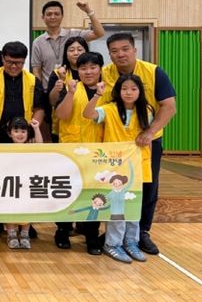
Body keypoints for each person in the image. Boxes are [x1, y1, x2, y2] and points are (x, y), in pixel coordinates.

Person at [100, 33, 176, 255]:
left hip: (145, 142)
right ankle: (114, 234)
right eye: (114, 51)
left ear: (134, 50)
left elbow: (169, 106)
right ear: (110, 54)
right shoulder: (104, 73)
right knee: (114, 188)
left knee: (147, 187)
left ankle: (141, 232)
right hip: (115, 145)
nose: (120, 54)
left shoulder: (154, 72)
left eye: (125, 49)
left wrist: (149, 132)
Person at [83, 74, 154, 263]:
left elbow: (149, 140)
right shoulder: (110, 109)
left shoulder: (147, 111)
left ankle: (131, 242)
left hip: (138, 166)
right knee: (117, 208)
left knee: (133, 207)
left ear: (140, 92)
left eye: (133, 89)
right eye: (124, 89)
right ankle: (112, 243)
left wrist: (148, 164)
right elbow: (88, 114)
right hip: (115, 167)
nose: (129, 92)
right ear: (118, 91)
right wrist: (97, 95)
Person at [52, 51, 105, 255]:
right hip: (71, 150)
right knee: (67, 191)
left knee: (94, 193)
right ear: (78, 71)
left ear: (100, 69)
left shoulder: (109, 90)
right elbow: (61, 115)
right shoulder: (70, 87)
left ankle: (92, 235)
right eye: (83, 68)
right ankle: (62, 231)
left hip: (98, 152)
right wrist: (70, 93)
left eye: (93, 67)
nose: (88, 72)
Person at [0, 41, 46, 143]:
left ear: (24, 61)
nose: (13, 66)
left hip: (22, 135)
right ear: (2, 58)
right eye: (9, 62)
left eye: (18, 63)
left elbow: (39, 109)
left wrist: (31, 132)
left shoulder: (33, 80)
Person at [31, 0, 104, 90]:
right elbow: (37, 70)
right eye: (49, 14)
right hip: (48, 91)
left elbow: (99, 33)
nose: (53, 17)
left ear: (62, 16)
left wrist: (88, 11)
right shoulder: (37, 42)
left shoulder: (74, 34)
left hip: (77, 89)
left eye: (57, 14)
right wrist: (38, 92)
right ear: (43, 17)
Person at [4, 117, 43, 249]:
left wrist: (36, 128)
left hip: (26, 185)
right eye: (16, 131)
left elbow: (41, 146)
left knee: (27, 209)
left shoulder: (30, 148)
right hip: (10, 186)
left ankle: (25, 234)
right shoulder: (4, 149)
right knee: (9, 210)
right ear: (10, 133)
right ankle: (11, 234)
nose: (20, 134)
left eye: (23, 131)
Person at [46, 36, 89, 142]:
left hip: (89, 124)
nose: (76, 53)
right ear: (66, 53)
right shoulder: (58, 73)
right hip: (63, 125)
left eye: (80, 49)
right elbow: (52, 102)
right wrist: (59, 84)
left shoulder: (92, 73)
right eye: (71, 50)